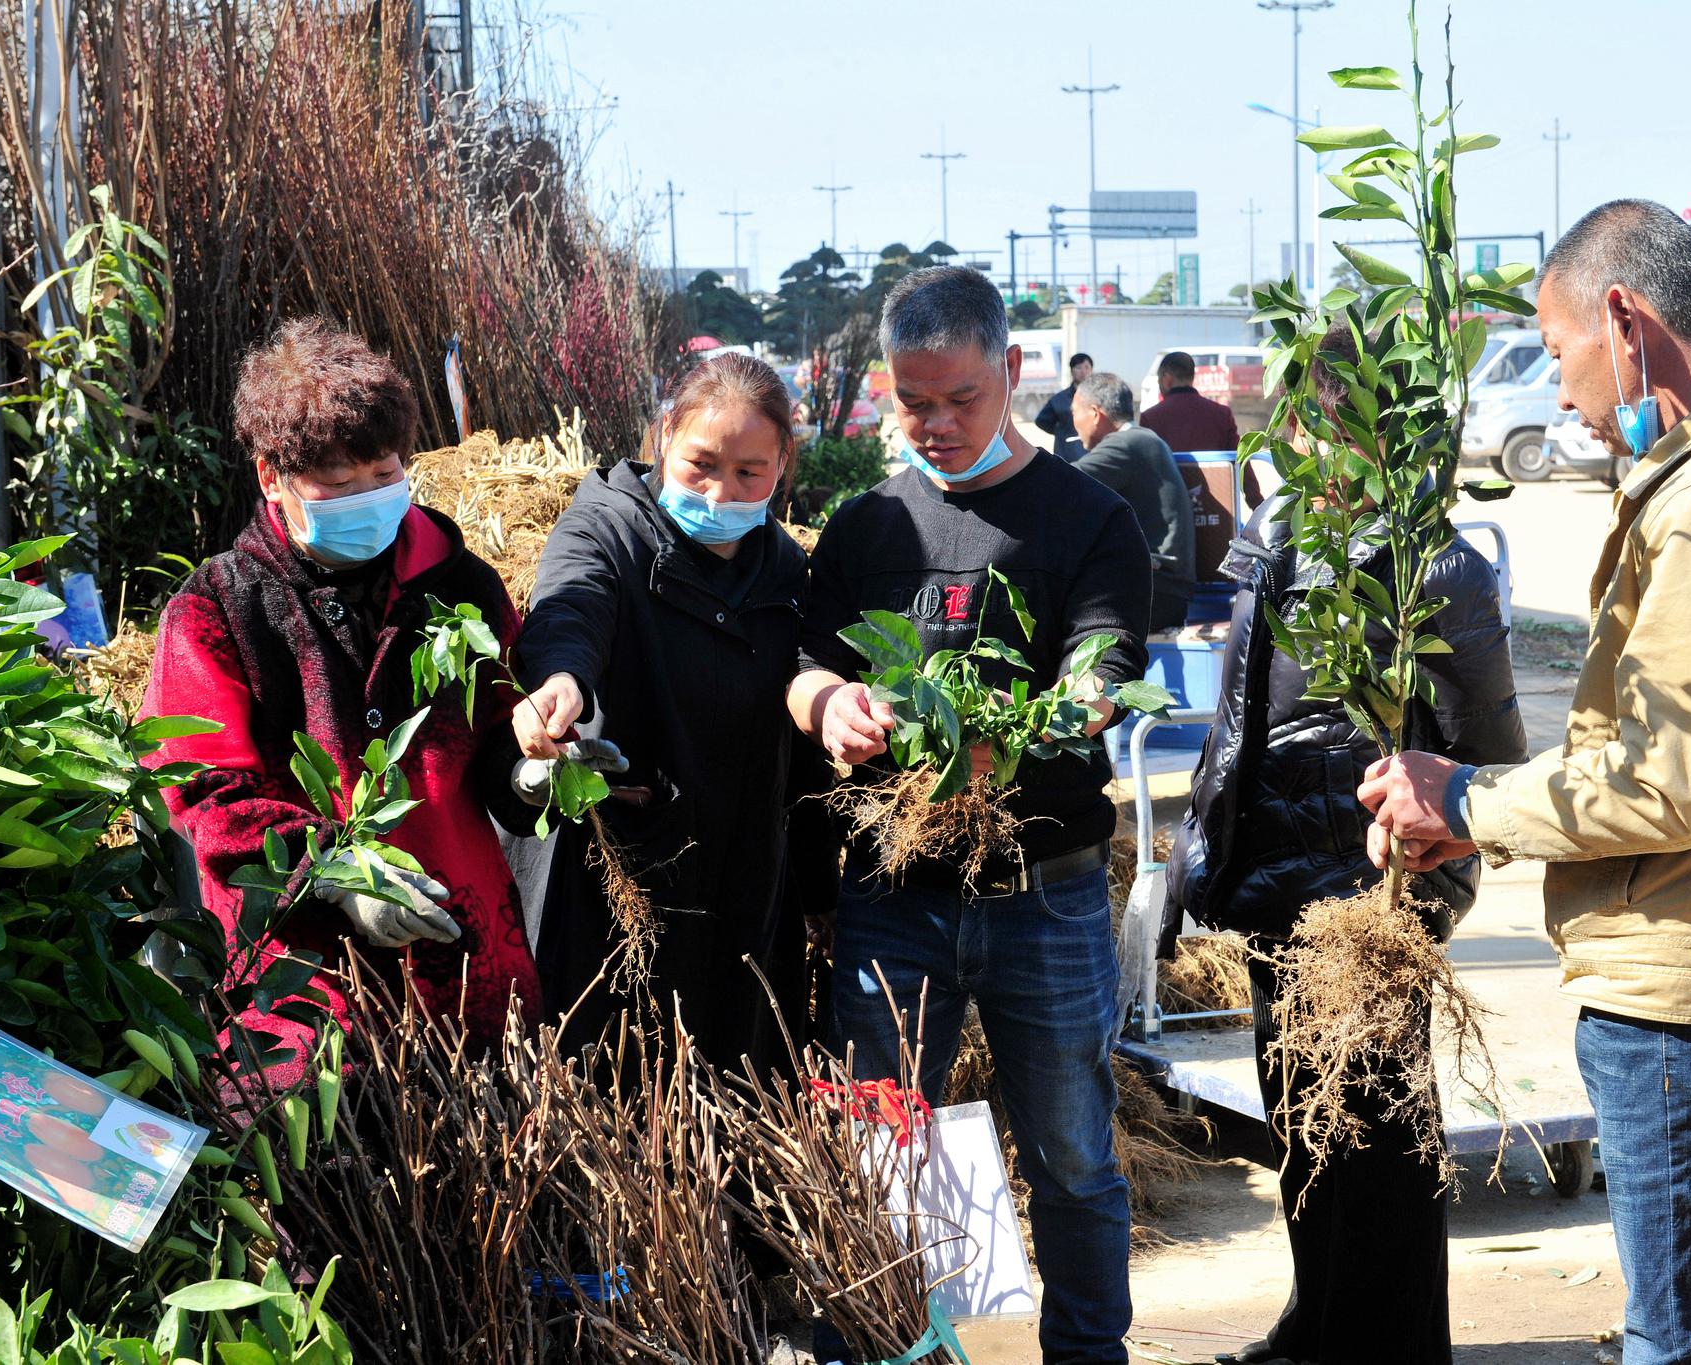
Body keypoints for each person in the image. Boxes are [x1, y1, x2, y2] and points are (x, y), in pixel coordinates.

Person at [1358, 200, 1691, 1364]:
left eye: (1554, 354)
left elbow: (1666, 782)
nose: (1556, 393)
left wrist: (1463, 803)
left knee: (1688, 1342)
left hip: (1686, 1005)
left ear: (1622, 319)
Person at [788, 265, 1151, 1365]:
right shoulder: (863, 528)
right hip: (892, 899)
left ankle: (1087, 1354)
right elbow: (807, 656)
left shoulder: (1088, 519)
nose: (935, 425)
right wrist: (826, 703)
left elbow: (1103, 670)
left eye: (959, 399)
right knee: (878, 1153)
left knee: (1073, 1158)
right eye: (912, 401)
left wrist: (1030, 732)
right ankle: (881, 1347)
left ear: (1013, 372)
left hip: (1045, 895)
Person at [1166, 323, 1526, 1365]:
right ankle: (1314, 1328)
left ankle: (1385, 1344)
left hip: (1373, 897)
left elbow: (1488, 746)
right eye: (1297, 433)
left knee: (1375, 1142)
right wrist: (1210, 858)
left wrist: (1422, 850)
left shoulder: (1436, 569)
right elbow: (1236, 721)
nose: (1309, 455)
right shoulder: (1279, 542)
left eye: (1328, 432)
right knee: (1304, 1128)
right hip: (1280, 890)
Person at [144, 318, 539, 1084]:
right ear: (271, 478)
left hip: (470, 959)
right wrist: (330, 869)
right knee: (327, 1172)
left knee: (499, 1165)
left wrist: (527, 774)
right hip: (304, 983)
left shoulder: (460, 585)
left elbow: (502, 726)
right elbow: (205, 792)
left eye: (384, 473)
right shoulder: (219, 611)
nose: (369, 496)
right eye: (340, 483)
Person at [508, 353, 815, 1064]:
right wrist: (561, 679)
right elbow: (571, 606)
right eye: (700, 463)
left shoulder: (787, 569)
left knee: (734, 1081)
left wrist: (820, 885)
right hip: (621, 877)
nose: (719, 491)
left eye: (749, 472)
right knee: (613, 1075)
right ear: (663, 435)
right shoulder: (605, 529)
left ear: (783, 463)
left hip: (742, 878)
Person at [1068, 371, 1197, 630]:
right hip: (1166, 588)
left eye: (1074, 413)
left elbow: (1064, 482)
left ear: (1094, 413)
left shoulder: (1127, 443)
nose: (1074, 423)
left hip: (1155, 589)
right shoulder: (1144, 439)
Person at [1139, 349, 1240, 453]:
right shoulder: (1223, 414)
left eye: (1159, 380)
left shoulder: (1150, 418)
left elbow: (1144, 464)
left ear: (1167, 379)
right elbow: (1241, 459)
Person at [1034, 351, 1094, 460]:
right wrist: (1061, 432)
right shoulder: (1059, 399)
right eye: (1079, 367)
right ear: (1071, 371)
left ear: (1091, 370)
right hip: (1068, 454)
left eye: (1087, 367)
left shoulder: (1099, 397)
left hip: (1093, 454)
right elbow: (1041, 421)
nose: (1083, 372)